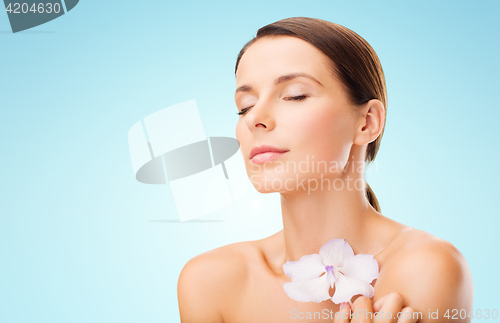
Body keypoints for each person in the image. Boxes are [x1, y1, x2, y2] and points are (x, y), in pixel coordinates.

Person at [177, 17, 473, 322]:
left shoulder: (426, 268)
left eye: (295, 95)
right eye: (246, 106)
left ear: (367, 122)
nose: (255, 119)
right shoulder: (211, 282)